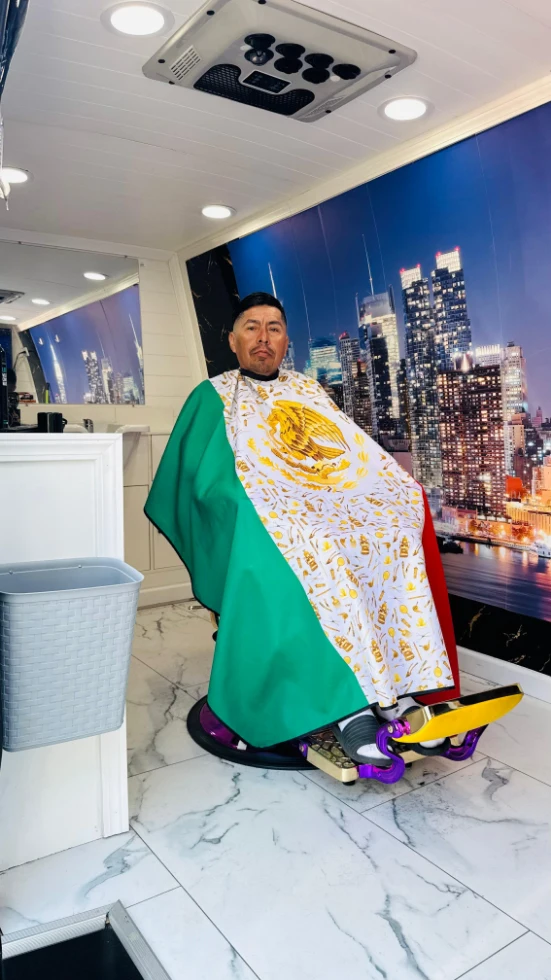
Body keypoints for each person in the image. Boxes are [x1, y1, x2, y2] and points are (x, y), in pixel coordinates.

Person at [145, 292, 460, 763]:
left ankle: (402, 688)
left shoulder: (309, 391)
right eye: (252, 327)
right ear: (232, 340)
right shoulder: (212, 395)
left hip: (325, 506)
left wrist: (397, 488)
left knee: (391, 536)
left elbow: (354, 455)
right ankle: (350, 708)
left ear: (285, 340)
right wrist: (252, 500)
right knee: (315, 548)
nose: (263, 337)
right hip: (269, 514)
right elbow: (199, 478)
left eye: (273, 328)